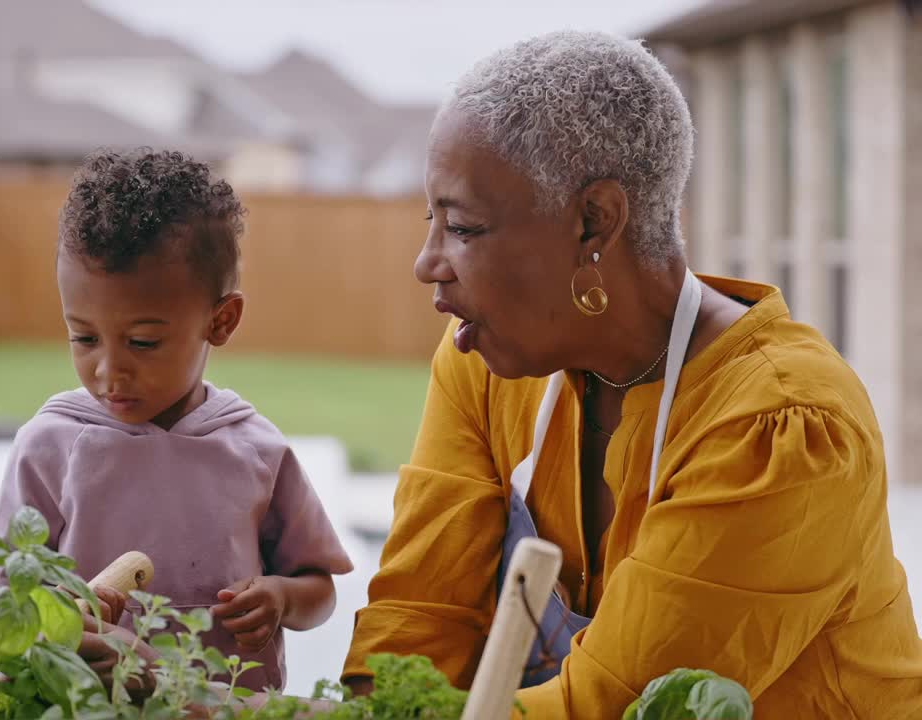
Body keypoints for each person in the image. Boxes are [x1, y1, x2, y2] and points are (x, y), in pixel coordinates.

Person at [341, 30, 922, 718]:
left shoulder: (782, 428)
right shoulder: (489, 363)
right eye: (431, 221)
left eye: (463, 228)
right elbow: (419, 621)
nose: (428, 263)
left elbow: (614, 706)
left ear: (594, 221)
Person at [0, 148, 353, 692]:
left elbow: (319, 588)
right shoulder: (49, 447)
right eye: (83, 337)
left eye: (143, 342)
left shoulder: (257, 452)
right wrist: (48, 614)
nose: (109, 370)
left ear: (220, 321)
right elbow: (4, 610)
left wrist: (281, 599)